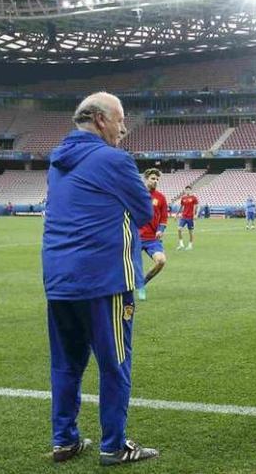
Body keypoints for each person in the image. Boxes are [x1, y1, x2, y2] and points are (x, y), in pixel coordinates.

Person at [42, 92, 159, 465]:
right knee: (115, 364)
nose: (124, 128)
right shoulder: (114, 160)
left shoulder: (57, 160)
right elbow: (144, 212)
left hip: (59, 279)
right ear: (99, 119)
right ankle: (113, 445)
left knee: (65, 364)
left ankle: (65, 440)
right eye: (120, 119)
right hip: (103, 280)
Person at [137, 168, 168, 302]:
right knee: (126, 263)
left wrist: (161, 229)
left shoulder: (160, 197)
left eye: (157, 179)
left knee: (161, 261)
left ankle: (142, 284)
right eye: (152, 179)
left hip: (152, 239)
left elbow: (164, 218)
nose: (155, 181)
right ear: (146, 179)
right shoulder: (137, 194)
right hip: (135, 236)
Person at [175, 186, 198, 251]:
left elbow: (196, 206)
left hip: (190, 217)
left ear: (191, 191)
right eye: (186, 190)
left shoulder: (194, 198)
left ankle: (190, 245)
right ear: (185, 191)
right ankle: (181, 244)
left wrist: (195, 215)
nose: (187, 191)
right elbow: (181, 206)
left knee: (190, 232)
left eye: (189, 190)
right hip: (183, 216)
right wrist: (177, 214)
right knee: (179, 229)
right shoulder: (183, 198)